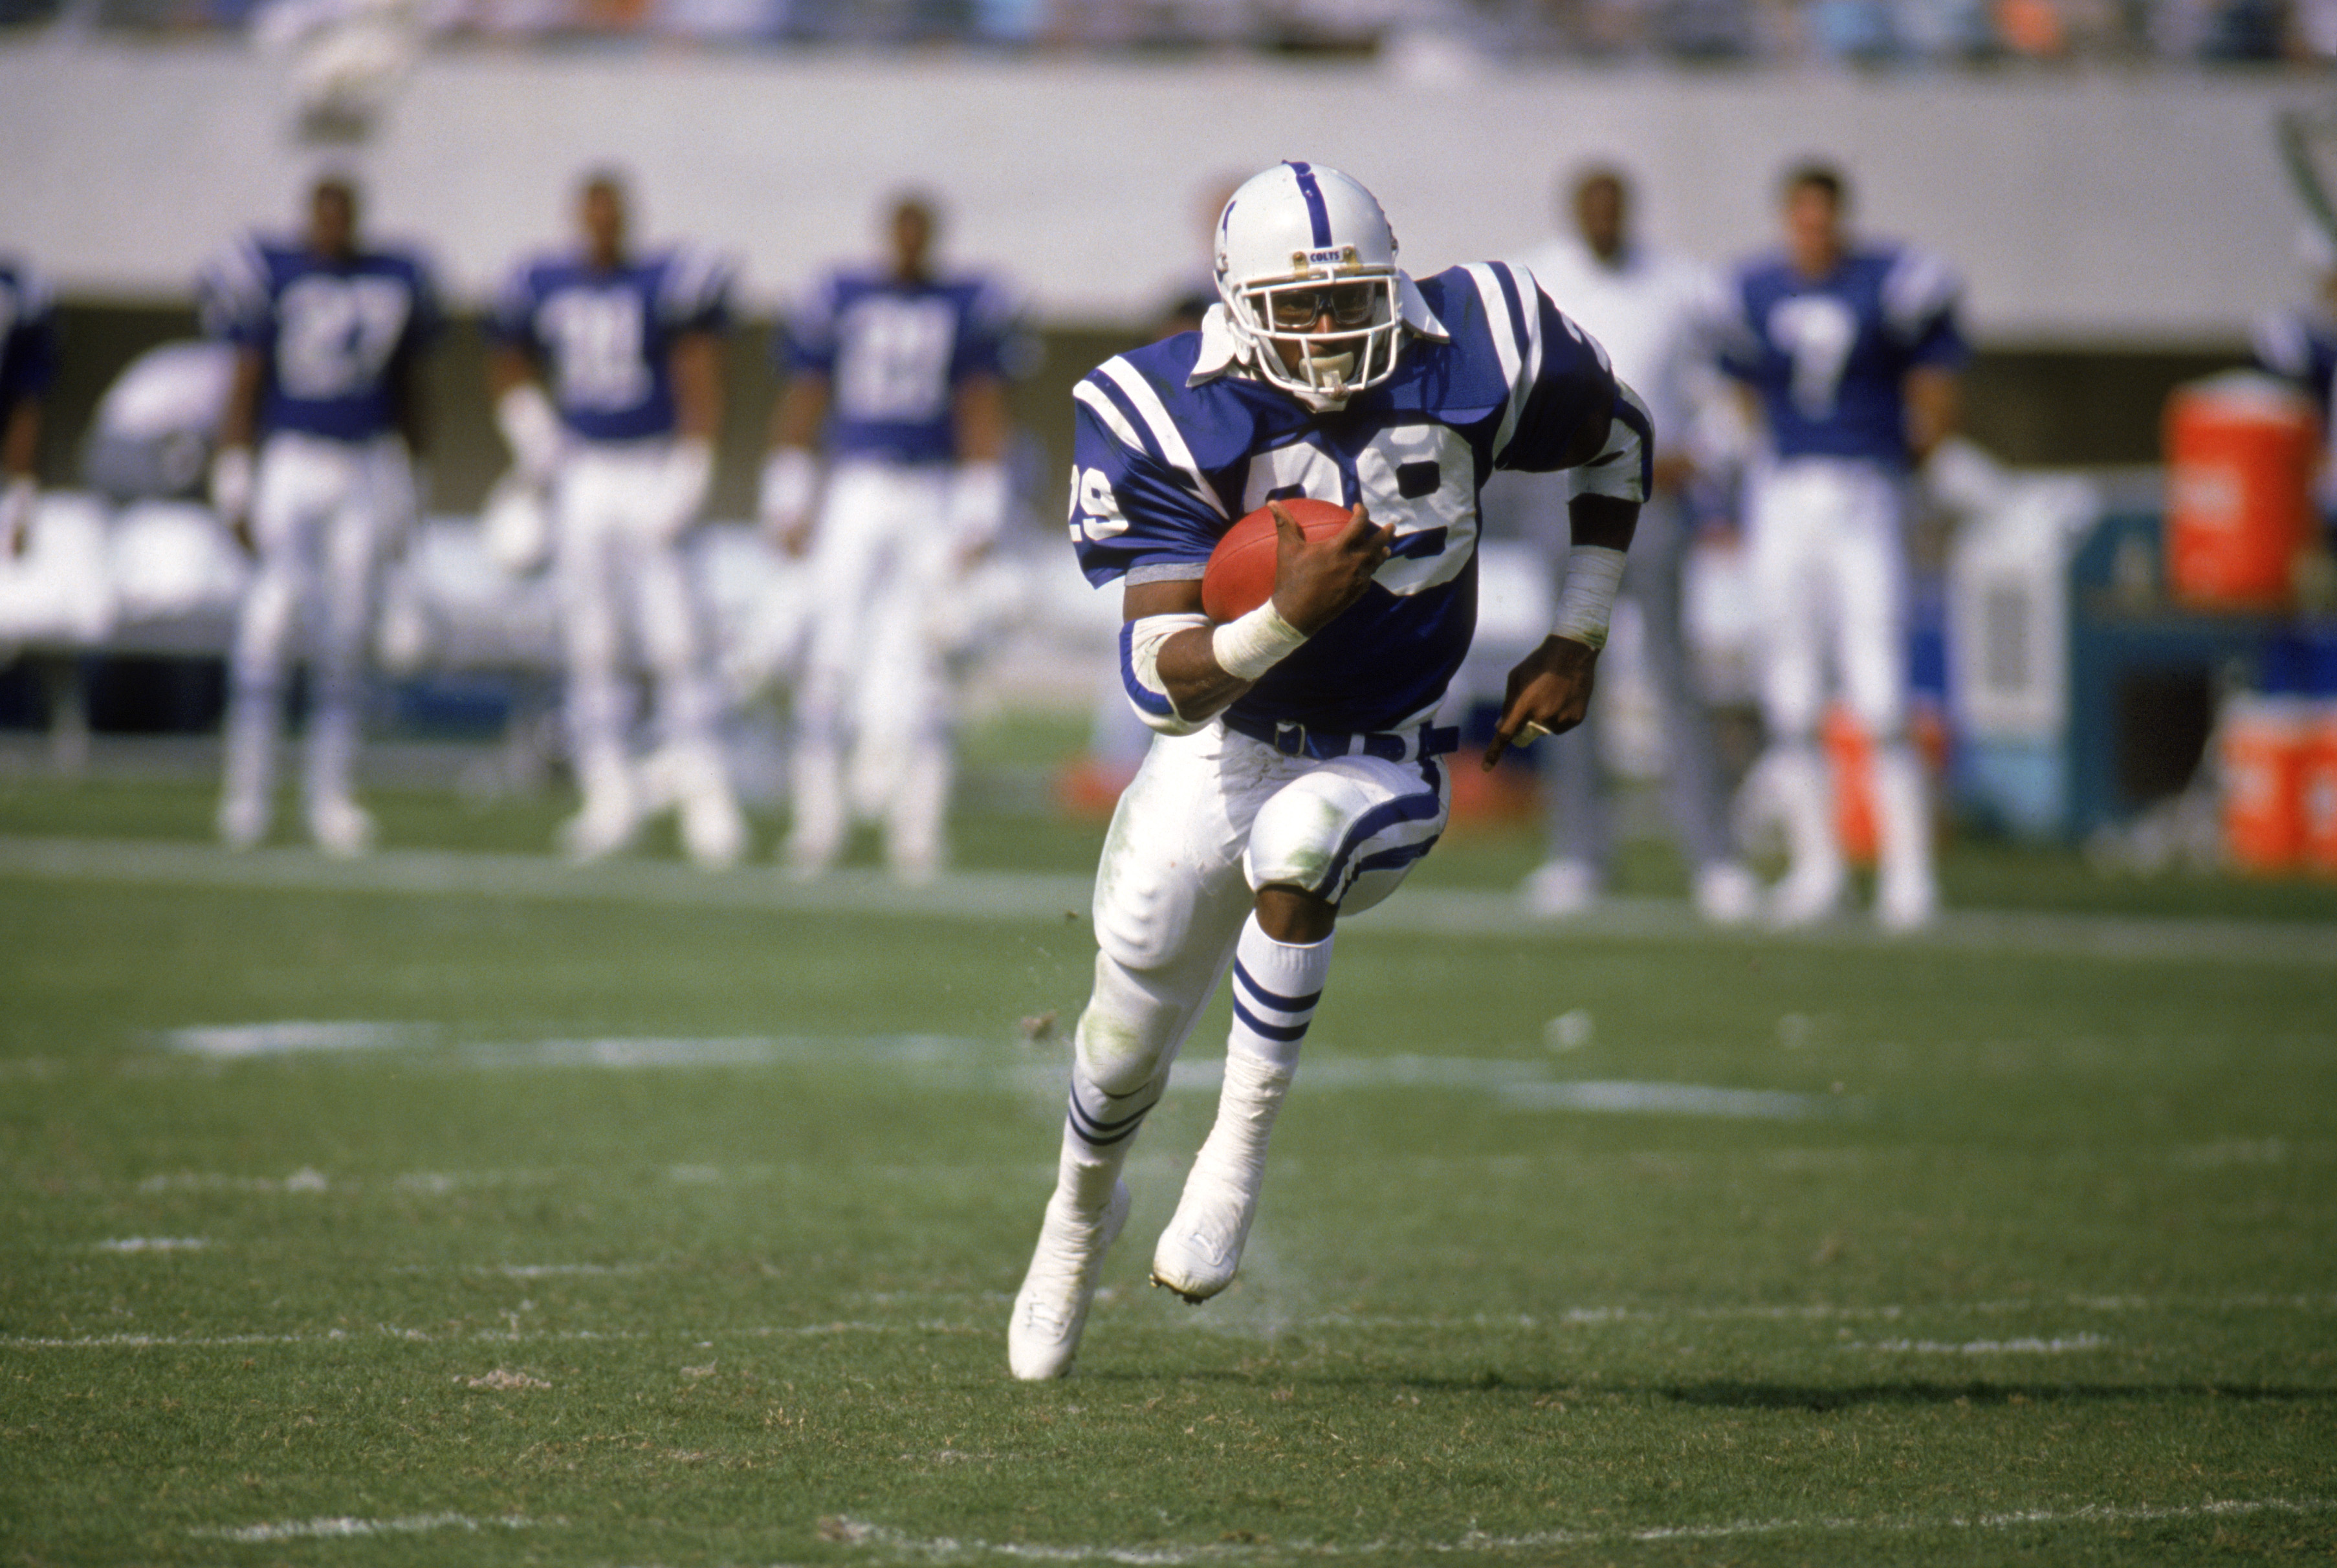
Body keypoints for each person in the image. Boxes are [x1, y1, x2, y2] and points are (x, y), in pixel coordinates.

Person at [1007, 161, 1651, 1380]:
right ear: (1232, 301)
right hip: (1225, 733)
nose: (1324, 329)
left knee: (1299, 855)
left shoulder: (1483, 344)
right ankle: (1077, 1215)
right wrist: (1281, 619)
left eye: (1347, 297)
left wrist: (1578, 629)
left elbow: (1618, 442)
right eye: (1294, 306)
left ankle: (1233, 1158)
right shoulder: (1161, 407)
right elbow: (1159, 681)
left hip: (1388, 745)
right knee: (1120, 1033)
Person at [1718, 161, 1964, 931]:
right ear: (1787, 220)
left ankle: (1908, 874)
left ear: (1841, 219)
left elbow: (1938, 369)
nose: (1814, 232)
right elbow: (1741, 385)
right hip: (1787, 487)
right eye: (1802, 218)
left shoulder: (1890, 279)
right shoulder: (1753, 288)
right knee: (1790, 690)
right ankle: (1817, 869)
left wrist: (1915, 450)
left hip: (1865, 482)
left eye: (1825, 217)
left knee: (1881, 686)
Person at [1512, 164, 1759, 924]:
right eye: (1591, 207)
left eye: (1614, 207)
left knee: (1673, 675)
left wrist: (1706, 453)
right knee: (1567, 673)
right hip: (1567, 491)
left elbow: (1727, 388)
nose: (1603, 220)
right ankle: (1579, 852)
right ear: (1572, 213)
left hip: (1652, 492)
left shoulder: (1681, 285)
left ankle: (1715, 857)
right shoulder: (1536, 282)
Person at [490, 170, 747, 869]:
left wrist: (694, 463)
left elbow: (699, 371)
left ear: (628, 219)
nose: (602, 226)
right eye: (591, 214)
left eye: (612, 214)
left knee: (678, 638)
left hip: (649, 464)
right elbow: (507, 357)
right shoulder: (544, 283)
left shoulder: (664, 282)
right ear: (578, 219)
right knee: (593, 643)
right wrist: (533, 434)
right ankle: (609, 796)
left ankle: (704, 793)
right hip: (584, 472)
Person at [758, 192, 1018, 882]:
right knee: (828, 649)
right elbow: (807, 393)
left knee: (930, 656)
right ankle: (816, 824)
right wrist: (790, 488)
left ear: (932, 237)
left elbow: (980, 404)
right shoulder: (842, 295)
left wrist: (982, 502)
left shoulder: (965, 303)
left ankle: (918, 831)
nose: (908, 242)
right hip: (856, 485)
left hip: (929, 487)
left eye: (920, 231)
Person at [201, 178, 437, 856]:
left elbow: (409, 389)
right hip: (292, 459)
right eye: (322, 214)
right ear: (308, 218)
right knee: (268, 623)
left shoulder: (395, 278)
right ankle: (246, 795)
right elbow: (245, 375)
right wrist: (234, 473)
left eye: (343, 214)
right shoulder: (272, 271)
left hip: (363, 462)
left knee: (348, 632)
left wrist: (412, 479)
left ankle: (330, 796)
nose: (332, 227)